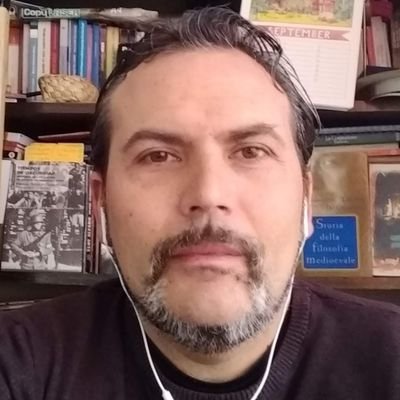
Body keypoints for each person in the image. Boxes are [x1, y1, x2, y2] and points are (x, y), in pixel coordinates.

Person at [0, 7, 399, 400]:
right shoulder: (18, 361)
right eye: (158, 156)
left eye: (251, 151)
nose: (209, 195)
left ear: (306, 198)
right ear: (100, 202)